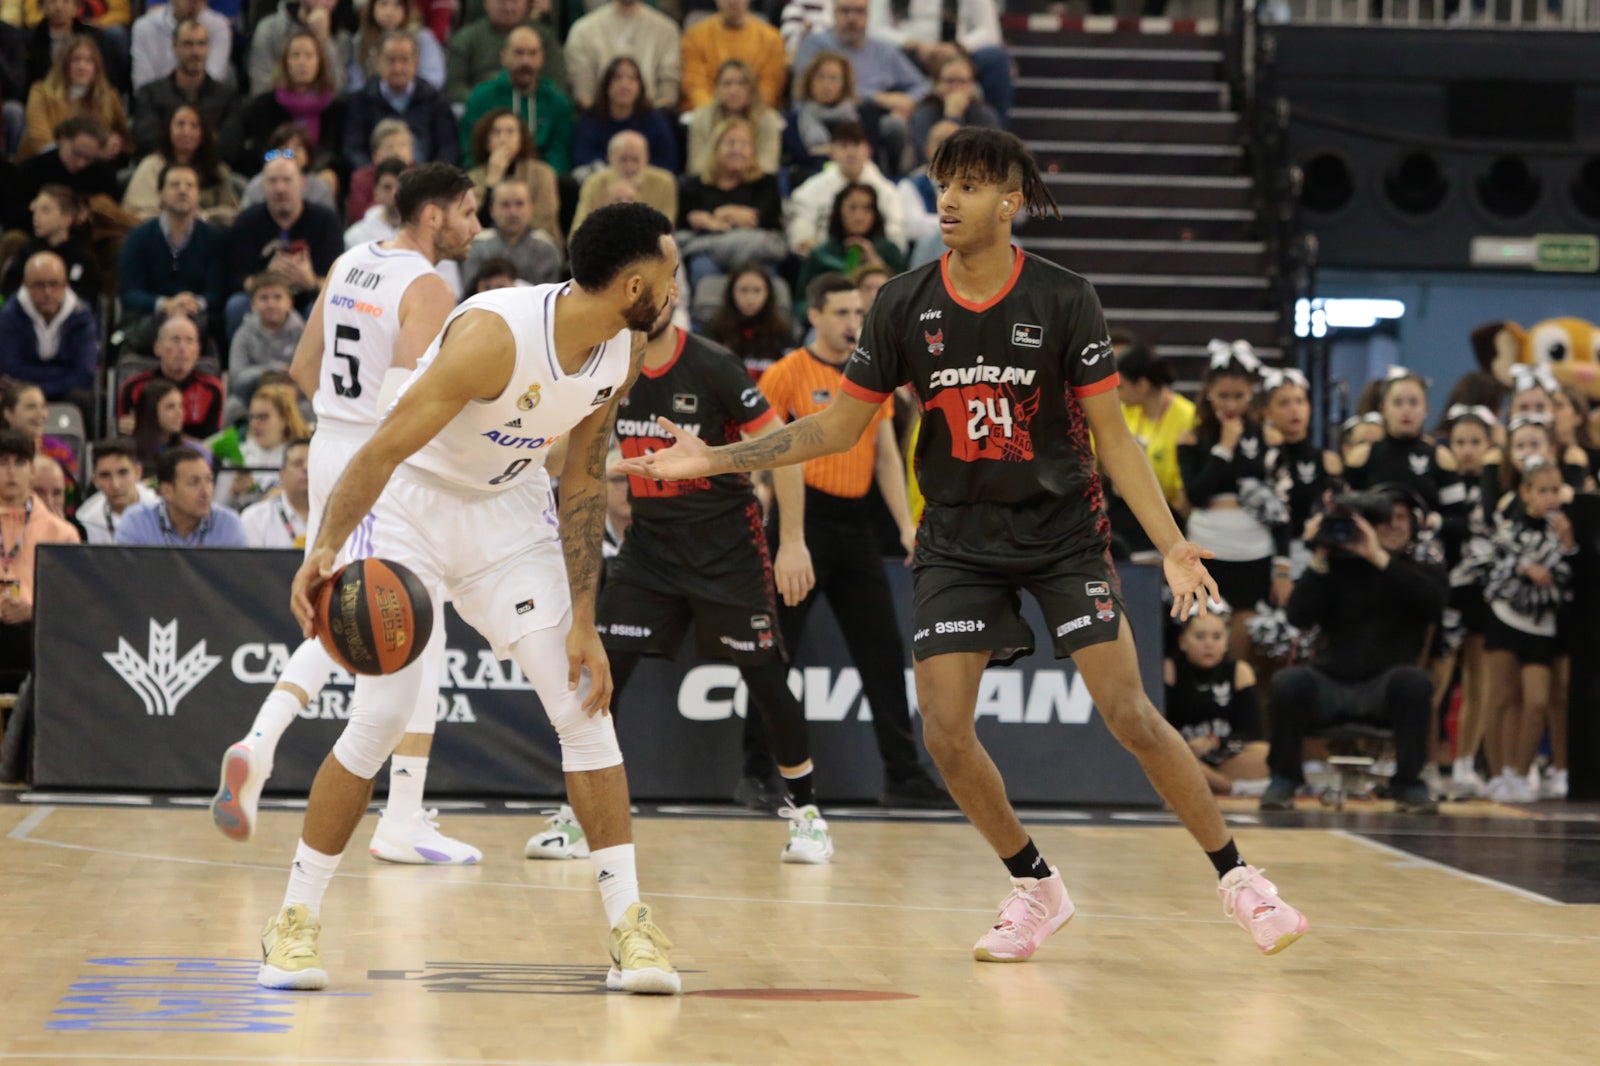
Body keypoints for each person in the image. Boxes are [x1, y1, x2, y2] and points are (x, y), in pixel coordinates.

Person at [622, 128, 1309, 960]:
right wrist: (717, 457)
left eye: (971, 187)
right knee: (944, 730)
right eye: (943, 184)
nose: (948, 199)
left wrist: (1170, 542)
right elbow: (839, 426)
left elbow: (1114, 439)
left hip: (1060, 533)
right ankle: (1035, 886)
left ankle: (1241, 879)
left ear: (1010, 202)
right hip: (956, 538)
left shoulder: (1065, 297)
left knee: (1128, 710)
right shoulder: (902, 302)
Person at [257, 202, 682, 995]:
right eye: (669, 275)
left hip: (509, 515)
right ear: (632, 284)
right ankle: (293, 919)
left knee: (582, 701)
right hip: (413, 506)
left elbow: (584, 477)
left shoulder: (621, 352)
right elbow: (383, 447)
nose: (676, 289)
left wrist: (585, 619)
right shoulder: (493, 335)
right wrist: (324, 549)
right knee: (382, 716)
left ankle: (632, 928)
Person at [210, 166, 478, 877]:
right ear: (431, 218)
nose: (475, 227)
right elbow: (416, 401)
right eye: (468, 213)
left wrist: (342, 420)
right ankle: (369, 802)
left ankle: (382, 805)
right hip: (381, 461)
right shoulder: (429, 287)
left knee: (399, 620)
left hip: (331, 442)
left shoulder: (351, 261)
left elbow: (302, 365)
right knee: (392, 618)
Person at [531, 297, 833, 863]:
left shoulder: (714, 365)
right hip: (651, 548)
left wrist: (792, 542)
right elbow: (564, 453)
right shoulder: (608, 365)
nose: (657, 299)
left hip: (729, 548)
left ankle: (808, 813)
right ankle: (580, 817)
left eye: (668, 287)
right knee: (601, 671)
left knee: (766, 680)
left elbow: (785, 450)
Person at [740, 273, 943, 808]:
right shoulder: (787, 374)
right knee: (775, 653)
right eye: (842, 313)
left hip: (856, 525)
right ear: (814, 316)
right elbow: (756, 445)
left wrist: (904, 524)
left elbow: (884, 454)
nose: (854, 323)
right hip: (800, 523)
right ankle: (757, 773)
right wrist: (766, 502)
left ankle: (903, 776)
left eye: (859, 313)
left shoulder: (871, 374)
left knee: (882, 651)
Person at [1177, 343, 1281, 662]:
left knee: (1245, 634)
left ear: (1252, 393)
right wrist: (1224, 446)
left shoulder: (1269, 438)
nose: (1231, 404)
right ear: (1208, 392)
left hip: (1253, 547)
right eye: (1224, 396)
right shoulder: (1191, 438)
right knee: (1206, 627)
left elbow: (1277, 501)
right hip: (1209, 543)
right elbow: (1196, 495)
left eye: (1239, 396)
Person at [791, 1, 929, 178]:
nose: (852, 18)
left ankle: (897, 177)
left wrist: (908, 101)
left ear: (868, 15)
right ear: (833, 13)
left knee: (896, 124)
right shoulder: (815, 44)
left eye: (859, 11)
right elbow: (802, 89)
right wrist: (876, 97)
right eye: (845, 11)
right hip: (817, 116)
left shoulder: (883, 50)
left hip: (870, 120)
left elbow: (923, 86)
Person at [226, 154, 345, 333]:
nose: (280, 188)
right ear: (263, 186)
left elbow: (337, 281)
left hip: (308, 298)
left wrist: (311, 281)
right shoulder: (247, 221)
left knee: (321, 309)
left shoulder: (326, 221)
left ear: (301, 184)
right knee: (236, 306)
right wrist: (269, 277)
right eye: (273, 181)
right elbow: (235, 277)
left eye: (287, 180)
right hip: (262, 300)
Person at [0, 431, 81, 692]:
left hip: (37, 640)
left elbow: (73, 604)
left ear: (32, 471)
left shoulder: (62, 533)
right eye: (2, 463)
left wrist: (32, 610)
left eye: (20, 463)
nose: (11, 472)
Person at [678, 117, 785, 314]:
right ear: (716, 148)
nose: (737, 149)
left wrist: (718, 216)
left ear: (752, 151)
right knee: (702, 268)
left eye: (744, 144)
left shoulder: (766, 183)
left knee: (764, 272)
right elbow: (685, 222)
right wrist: (737, 216)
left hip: (754, 250)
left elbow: (765, 219)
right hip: (709, 251)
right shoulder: (694, 185)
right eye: (730, 143)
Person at [117, 163, 228, 348]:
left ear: (198, 195)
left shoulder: (215, 238)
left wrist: (194, 304)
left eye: (189, 185)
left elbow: (217, 292)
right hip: (151, 318)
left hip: (198, 318)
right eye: (175, 185)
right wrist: (165, 304)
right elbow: (129, 293)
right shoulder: (138, 237)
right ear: (160, 194)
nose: (182, 190)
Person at [1165, 605, 1269, 797]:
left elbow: (1251, 733)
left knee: (1264, 753)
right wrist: (1187, 746)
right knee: (1168, 758)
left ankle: (1215, 783)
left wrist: (1214, 742)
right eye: (1200, 636)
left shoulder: (1239, 671)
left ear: (1226, 641)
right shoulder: (1170, 669)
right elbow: (1161, 725)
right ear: (1183, 641)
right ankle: (1232, 788)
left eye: (1216, 637)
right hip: (1184, 752)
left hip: (1223, 754)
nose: (1209, 644)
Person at [866, 0, 1012, 124]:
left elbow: (990, 31)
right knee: (879, 55)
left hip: (959, 52)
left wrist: (958, 47)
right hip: (908, 53)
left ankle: (996, 134)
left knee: (996, 58)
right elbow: (874, 28)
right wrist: (911, 44)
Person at [458, 25, 573, 174]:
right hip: (489, 174)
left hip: (541, 179)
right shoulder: (482, 97)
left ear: (542, 58)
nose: (526, 61)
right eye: (518, 53)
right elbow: (470, 151)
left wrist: (539, 177)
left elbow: (560, 155)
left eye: (533, 54)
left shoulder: (557, 102)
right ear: (503, 56)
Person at [236, 37, 347, 187]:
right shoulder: (265, 105)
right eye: (295, 55)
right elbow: (263, 152)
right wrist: (289, 157)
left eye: (309, 56)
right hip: (275, 172)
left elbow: (337, 154)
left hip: (320, 173)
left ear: (319, 62)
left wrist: (313, 166)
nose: (302, 62)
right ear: (285, 62)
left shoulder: (336, 108)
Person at [0, 252, 99, 416]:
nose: (47, 292)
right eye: (39, 285)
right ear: (25, 285)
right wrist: (62, 373)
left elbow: (84, 374)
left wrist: (39, 386)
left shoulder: (82, 317)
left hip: (63, 392)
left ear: (66, 284)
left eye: (54, 284)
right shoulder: (9, 315)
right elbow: (10, 370)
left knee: (82, 398)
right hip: (22, 393)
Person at [786, 122, 906, 256]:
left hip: (874, 261)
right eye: (843, 146)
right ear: (831, 152)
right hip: (825, 261)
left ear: (869, 151)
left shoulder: (887, 191)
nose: (850, 152)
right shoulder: (810, 190)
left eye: (856, 145)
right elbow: (801, 234)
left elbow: (896, 234)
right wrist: (818, 254)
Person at [344, 31, 458, 169]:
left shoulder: (435, 100)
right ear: (378, 62)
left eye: (404, 60)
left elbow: (448, 148)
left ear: (416, 62)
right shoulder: (361, 101)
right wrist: (372, 175)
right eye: (391, 60)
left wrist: (430, 177)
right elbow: (353, 148)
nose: (398, 68)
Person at [130, 17, 238, 160]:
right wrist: (207, 137)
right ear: (174, 48)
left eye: (201, 44)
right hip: (161, 167)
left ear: (208, 48)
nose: (195, 52)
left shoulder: (227, 96)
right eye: (188, 44)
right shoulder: (150, 93)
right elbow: (147, 140)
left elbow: (231, 146)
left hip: (210, 168)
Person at [794, 183, 906, 319]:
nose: (859, 216)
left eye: (867, 208)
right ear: (839, 211)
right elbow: (801, 304)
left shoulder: (889, 251)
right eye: (852, 208)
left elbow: (904, 299)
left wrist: (875, 263)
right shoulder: (821, 255)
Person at [122, 104, 240, 225]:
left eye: (194, 126)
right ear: (168, 130)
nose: (186, 131)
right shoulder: (152, 166)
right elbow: (137, 212)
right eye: (180, 124)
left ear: (203, 133)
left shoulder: (217, 169)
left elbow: (232, 212)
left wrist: (203, 217)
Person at [20, 34, 129, 160]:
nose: (82, 66)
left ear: (97, 67)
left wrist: (115, 142)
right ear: (64, 65)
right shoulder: (40, 93)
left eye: (89, 61)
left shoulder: (109, 97)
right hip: (46, 164)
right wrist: (85, 153)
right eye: (76, 60)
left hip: (95, 165)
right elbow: (39, 140)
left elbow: (124, 138)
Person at [116, 316, 226, 439]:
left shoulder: (212, 388)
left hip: (193, 456)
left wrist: (157, 430)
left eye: (189, 341)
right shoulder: (134, 387)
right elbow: (126, 435)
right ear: (158, 348)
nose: (182, 348)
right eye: (175, 340)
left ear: (197, 351)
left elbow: (210, 443)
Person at [463, 107, 563, 241]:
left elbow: (545, 218)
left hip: (536, 246)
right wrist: (492, 181)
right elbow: (475, 224)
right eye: (496, 132)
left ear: (521, 138)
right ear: (485, 141)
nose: (503, 139)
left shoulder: (543, 173)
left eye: (510, 132)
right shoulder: (473, 177)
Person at [563, 0, 682, 112]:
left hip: (651, 120)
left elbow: (669, 89)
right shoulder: (582, 31)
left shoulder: (667, 30)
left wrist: (648, 120)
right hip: (599, 121)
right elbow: (583, 93)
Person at [116, 445, 246, 546]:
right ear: (167, 491)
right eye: (194, 483)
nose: (206, 492)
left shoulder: (228, 524)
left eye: (209, 480)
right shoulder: (137, 522)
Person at [446, 0, 566, 107]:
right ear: (485, 3)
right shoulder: (466, 38)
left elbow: (557, 83)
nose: (508, 7)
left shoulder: (544, 38)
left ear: (527, 4)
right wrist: (484, 100)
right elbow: (454, 86)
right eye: (501, 2)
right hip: (483, 109)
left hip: (535, 106)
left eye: (514, 2)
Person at [571, 56, 678, 176]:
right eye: (617, 78)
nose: (624, 85)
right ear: (606, 85)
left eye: (632, 79)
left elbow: (666, 163)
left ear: (640, 88)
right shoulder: (591, 120)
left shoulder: (655, 120)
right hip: (602, 184)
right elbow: (582, 160)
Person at [0, 186, 100, 308]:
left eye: (45, 211)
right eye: (35, 210)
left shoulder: (83, 257)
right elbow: (9, 290)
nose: (36, 217)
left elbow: (87, 300)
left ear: (67, 219)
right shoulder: (27, 250)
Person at [681, 0, 786, 113]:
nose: (732, 1)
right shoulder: (695, 36)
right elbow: (695, 85)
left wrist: (748, 117)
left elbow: (769, 88)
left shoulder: (772, 39)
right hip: (707, 116)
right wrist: (714, 116)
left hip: (755, 117)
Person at [684, 58, 782, 178]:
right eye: (727, 84)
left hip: (755, 186)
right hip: (712, 185)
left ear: (752, 89)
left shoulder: (767, 119)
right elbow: (697, 166)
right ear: (717, 88)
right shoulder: (701, 118)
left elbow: (768, 166)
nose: (734, 90)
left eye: (742, 83)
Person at [219, 383, 311, 511]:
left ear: (284, 419)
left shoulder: (302, 459)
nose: (254, 424)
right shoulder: (236, 457)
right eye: (252, 417)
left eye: (263, 417)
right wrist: (233, 493)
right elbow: (214, 511)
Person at [461, 178, 563, 290]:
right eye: (505, 205)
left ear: (531, 208)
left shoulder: (546, 248)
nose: (513, 212)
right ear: (491, 210)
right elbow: (469, 292)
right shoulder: (477, 246)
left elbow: (549, 297)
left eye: (519, 204)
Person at [570, 130, 676, 236]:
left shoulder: (664, 182)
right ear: (610, 159)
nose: (629, 167)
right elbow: (577, 232)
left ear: (646, 158)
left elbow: (666, 231)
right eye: (623, 160)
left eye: (635, 160)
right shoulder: (594, 183)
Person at [704, 261, 794, 380]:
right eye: (743, 290)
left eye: (757, 291)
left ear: (768, 293)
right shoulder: (715, 328)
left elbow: (791, 375)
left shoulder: (782, 331)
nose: (750, 299)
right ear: (731, 292)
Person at [909, 53, 1000, 166]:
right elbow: (930, 159)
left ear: (972, 85)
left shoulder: (984, 113)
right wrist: (952, 117)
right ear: (936, 84)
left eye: (962, 81)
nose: (956, 88)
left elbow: (991, 159)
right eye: (950, 81)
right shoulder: (923, 113)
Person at [248, 0, 351, 97]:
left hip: (324, 112)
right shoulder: (270, 28)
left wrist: (325, 41)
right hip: (276, 110)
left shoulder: (341, 38)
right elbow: (260, 86)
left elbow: (339, 91)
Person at [131, 0, 232, 92]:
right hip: (158, 105)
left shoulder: (219, 27)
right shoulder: (144, 27)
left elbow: (214, 81)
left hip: (205, 104)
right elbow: (142, 86)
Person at [349, 0, 445, 93]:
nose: (390, 12)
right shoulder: (361, 41)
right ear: (372, 8)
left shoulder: (422, 38)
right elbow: (355, 83)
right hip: (371, 104)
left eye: (397, 4)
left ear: (406, 9)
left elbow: (433, 78)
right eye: (383, 4)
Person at [787, 50, 859, 173]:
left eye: (833, 78)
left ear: (844, 83)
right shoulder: (794, 121)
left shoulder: (857, 119)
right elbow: (799, 158)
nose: (826, 85)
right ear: (809, 81)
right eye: (820, 77)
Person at [77, 439, 159, 545]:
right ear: (95, 480)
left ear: (138, 472)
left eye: (123, 473)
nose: (116, 485)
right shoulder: (85, 519)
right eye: (105, 475)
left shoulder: (161, 511)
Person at [240, 439, 311, 548]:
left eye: (312, 464)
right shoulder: (254, 518)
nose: (306, 469)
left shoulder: (337, 516)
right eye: (298, 463)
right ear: (282, 475)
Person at [129, 378, 212, 471]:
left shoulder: (197, 452)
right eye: (170, 407)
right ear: (150, 412)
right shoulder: (128, 454)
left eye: (181, 406)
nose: (180, 413)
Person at [343, 157, 410, 247]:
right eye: (387, 187)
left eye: (400, 188)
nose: (395, 194)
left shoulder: (423, 234)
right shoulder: (354, 237)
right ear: (376, 192)